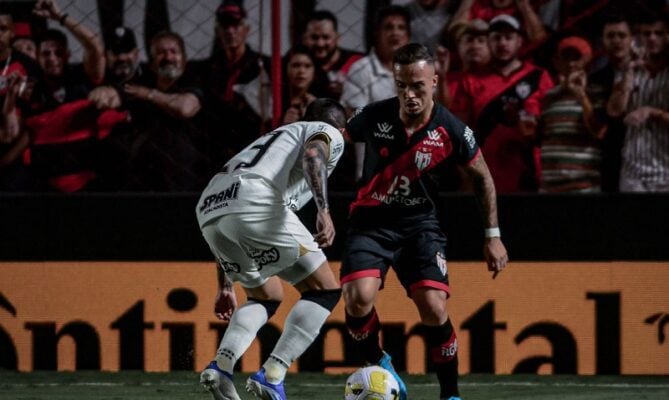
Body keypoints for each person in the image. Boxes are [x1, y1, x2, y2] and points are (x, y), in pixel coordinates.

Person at [342, 43, 508, 400]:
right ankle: (378, 361)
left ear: (434, 81)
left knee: (434, 307)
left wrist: (492, 235)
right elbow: (335, 140)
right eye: (401, 85)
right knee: (357, 298)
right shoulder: (374, 116)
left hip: (420, 226)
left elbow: (483, 177)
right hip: (370, 223)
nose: (409, 94)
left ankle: (450, 393)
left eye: (418, 85)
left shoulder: (451, 129)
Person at [195, 98, 347, 400]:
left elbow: (234, 208)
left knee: (265, 295)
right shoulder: (327, 133)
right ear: (342, 128)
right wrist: (323, 209)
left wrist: (225, 285)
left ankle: (222, 366)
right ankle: (273, 373)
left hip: (209, 207)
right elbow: (315, 153)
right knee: (325, 290)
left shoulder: (276, 138)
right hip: (254, 201)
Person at [88, 30, 207, 191]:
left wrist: (149, 94)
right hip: (144, 182)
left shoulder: (192, 81)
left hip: (184, 183)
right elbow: (117, 94)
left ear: (184, 60)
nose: (168, 57)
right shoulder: (141, 83)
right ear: (151, 63)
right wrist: (104, 93)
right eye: (161, 53)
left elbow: (185, 108)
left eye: (174, 52)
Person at [450, 14, 553, 192]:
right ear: (489, 42)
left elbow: (552, 125)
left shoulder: (539, 77)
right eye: (496, 38)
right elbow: (460, 132)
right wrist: (463, 173)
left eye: (508, 37)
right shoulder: (471, 80)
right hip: (485, 174)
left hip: (530, 173)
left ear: (519, 41)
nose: (503, 43)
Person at [607, 14, 669, 192]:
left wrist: (651, 111)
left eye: (658, 33)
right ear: (638, 38)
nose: (652, 38)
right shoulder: (630, 69)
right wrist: (627, 76)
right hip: (633, 171)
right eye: (646, 33)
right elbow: (614, 111)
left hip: (665, 172)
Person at [538, 36, 606, 192]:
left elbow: (599, 131)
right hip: (550, 185)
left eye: (577, 58)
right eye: (566, 58)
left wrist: (581, 95)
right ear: (557, 62)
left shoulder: (595, 93)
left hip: (583, 187)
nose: (571, 64)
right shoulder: (550, 96)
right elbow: (541, 137)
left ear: (588, 62)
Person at [588, 14, 634, 192]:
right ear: (603, 41)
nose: (616, 41)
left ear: (632, 39)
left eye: (622, 35)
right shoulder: (595, 79)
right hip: (608, 157)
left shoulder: (646, 73)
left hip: (644, 156)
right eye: (610, 36)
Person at [340, 5, 411, 115]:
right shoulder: (361, 69)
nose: (395, 33)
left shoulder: (418, 69)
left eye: (401, 28)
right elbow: (356, 115)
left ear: (408, 36)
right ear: (377, 33)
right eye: (388, 27)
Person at [301, 10, 363, 100]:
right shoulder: (297, 61)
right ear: (305, 38)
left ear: (337, 38)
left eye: (326, 37)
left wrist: (348, 90)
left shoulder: (357, 61)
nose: (320, 44)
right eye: (314, 37)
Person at [281, 45, 317, 124]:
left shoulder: (322, 103)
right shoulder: (273, 100)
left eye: (307, 66)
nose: (301, 71)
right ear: (286, 69)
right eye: (296, 65)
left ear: (314, 72)